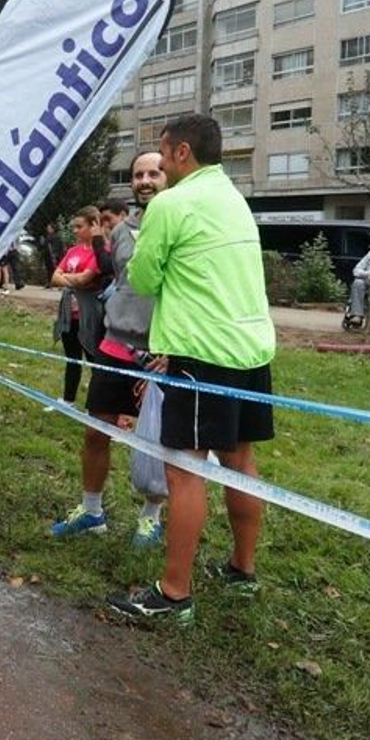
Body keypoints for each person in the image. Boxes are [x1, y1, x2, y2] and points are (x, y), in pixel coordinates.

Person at [109, 115, 276, 624]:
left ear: (181, 153)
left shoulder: (171, 204)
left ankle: (173, 593)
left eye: (161, 155)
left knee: (184, 473)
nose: (157, 166)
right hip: (253, 350)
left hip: (201, 354)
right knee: (240, 462)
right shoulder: (233, 198)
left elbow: (142, 274)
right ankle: (242, 569)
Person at [51, 151, 169, 546]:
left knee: (157, 441)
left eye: (154, 172)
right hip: (116, 345)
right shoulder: (123, 229)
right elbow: (119, 279)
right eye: (138, 174)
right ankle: (91, 509)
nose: (145, 180)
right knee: (95, 431)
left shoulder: (181, 223)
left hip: (160, 355)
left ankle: (151, 517)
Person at [49, 207, 104, 404]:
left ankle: (97, 404)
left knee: (94, 360)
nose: (75, 231)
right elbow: (55, 277)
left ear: (93, 225)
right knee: (71, 359)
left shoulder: (101, 251)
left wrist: (69, 278)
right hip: (68, 315)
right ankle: (68, 400)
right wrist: (76, 280)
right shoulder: (73, 250)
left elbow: (86, 278)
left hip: (89, 314)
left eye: (79, 227)